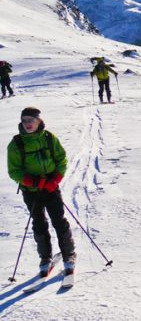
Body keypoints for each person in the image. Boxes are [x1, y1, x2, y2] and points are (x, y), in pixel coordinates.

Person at [7, 107, 76, 276]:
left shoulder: (49, 138)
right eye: (25, 121)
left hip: (51, 188)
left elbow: (61, 160)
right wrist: (31, 181)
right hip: (31, 191)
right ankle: (45, 257)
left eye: (32, 120)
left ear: (39, 121)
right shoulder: (16, 143)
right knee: (38, 222)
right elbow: (14, 170)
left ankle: (69, 254)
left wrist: (55, 179)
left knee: (59, 220)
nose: (28, 124)